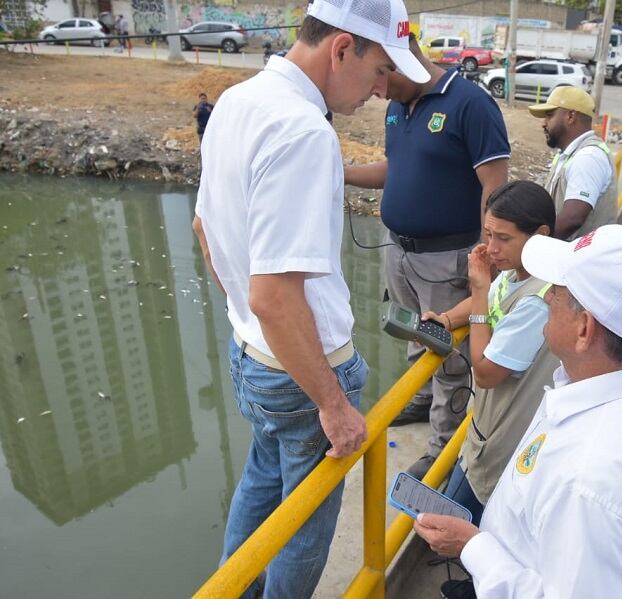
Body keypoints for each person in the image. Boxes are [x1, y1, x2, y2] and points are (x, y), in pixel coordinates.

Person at [192, 1, 428, 597]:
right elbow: (276, 297)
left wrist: (243, 317)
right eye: (378, 72)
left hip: (254, 356)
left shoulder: (236, 103)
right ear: (342, 48)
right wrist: (333, 404)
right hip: (303, 368)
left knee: (262, 484)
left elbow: (205, 231)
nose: (380, 93)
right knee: (305, 528)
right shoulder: (302, 130)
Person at [413, 224, 622, 598]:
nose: (545, 298)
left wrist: (472, 547)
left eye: (557, 292)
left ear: (584, 328)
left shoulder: (592, 484)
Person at [344, 33, 509, 479]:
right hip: (399, 250)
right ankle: (421, 398)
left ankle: (440, 450)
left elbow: (495, 184)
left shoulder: (470, 104)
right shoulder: (399, 108)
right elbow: (395, 169)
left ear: (404, 60)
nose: (377, 90)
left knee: (448, 354)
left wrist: (489, 256)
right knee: (418, 337)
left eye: (381, 76)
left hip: (447, 257)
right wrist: (338, 172)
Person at [421, 181, 558, 528]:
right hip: (485, 429)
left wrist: (479, 288)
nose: (491, 248)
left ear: (540, 234)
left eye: (503, 238)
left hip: (504, 441)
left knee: (469, 523)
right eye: (487, 234)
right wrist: (448, 319)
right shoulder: (518, 270)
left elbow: (485, 372)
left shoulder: (538, 300)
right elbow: (494, 296)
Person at [527, 86, 618, 240]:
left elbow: (572, 218)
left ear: (570, 116)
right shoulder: (568, 153)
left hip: (582, 260)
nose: (544, 123)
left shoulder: (588, 157)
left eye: (549, 116)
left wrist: (531, 247)